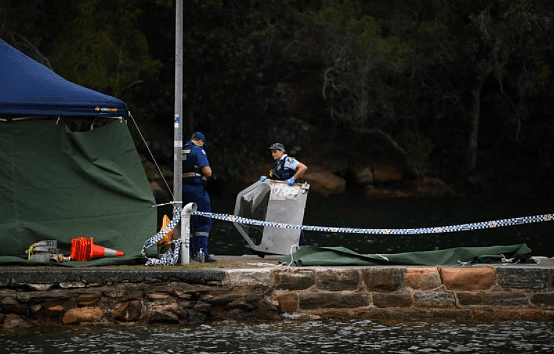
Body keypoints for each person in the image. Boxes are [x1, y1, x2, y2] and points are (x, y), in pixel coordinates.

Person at [260, 142, 308, 245]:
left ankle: (301, 246)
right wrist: (267, 179)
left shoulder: (288, 160)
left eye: (275, 152)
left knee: (294, 221)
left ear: (282, 151)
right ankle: (273, 245)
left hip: (292, 197)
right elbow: (277, 179)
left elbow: (303, 167)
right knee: (276, 220)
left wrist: (293, 178)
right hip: (280, 197)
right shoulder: (276, 165)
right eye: (272, 152)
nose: (273, 154)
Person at [182, 131, 216, 263]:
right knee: (203, 219)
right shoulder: (198, 150)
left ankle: (187, 252)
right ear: (201, 141)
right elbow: (206, 171)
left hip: (181, 189)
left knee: (186, 220)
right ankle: (201, 252)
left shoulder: (180, 151)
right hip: (196, 189)